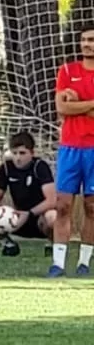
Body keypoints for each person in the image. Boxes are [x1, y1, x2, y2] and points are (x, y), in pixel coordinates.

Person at [51, 25, 94, 277]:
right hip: (70, 147)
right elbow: (62, 109)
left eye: (92, 40)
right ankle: (57, 264)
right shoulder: (67, 71)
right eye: (84, 40)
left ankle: (84, 263)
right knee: (63, 205)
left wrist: (76, 102)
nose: (87, 44)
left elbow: (70, 106)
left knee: (91, 207)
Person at [0, 131, 57, 257]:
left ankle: (53, 245)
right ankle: (8, 244)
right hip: (16, 220)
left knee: (53, 216)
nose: (18, 158)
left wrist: (29, 213)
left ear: (32, 153)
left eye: (22, 153)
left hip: (39, 220)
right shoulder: (6, 168)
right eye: (15, 153)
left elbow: (51, 200)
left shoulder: (40, 167)